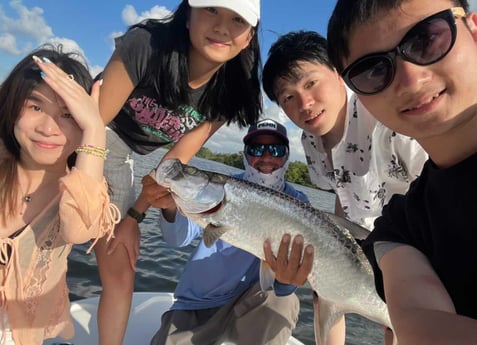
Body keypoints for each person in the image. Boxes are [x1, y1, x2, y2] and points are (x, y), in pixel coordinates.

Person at [94, 2, 262, 341]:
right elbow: (92, 126)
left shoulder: (227, 95)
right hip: (84, 132)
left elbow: (171, 168)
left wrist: (132, 218)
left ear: (248, 37)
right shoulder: (147, 44)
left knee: (121, 265)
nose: (222, 27)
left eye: (237, 19)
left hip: (122, 155)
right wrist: (77, 189)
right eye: (211, 10)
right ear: (188, 15)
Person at [261, 30, 428, 344]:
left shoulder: (386, 115)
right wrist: (336, 241)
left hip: (419, 236)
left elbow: (437, 183)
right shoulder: (310, 140)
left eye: (311, 83)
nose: (305, 104)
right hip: (364, 232)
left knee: (401, 319)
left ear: (338, 72)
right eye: (288, 97)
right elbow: (342, 190)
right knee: (323, 289)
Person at [327, 0, 477, 343]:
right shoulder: (398, 231)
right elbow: (422, 326)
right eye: (373, 70)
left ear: (474, 30)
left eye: (426, 40)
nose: (410, 78)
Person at [141, 119, 314, 345]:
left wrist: (286, 280)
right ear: (245, 154)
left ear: (286, 156)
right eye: (256, 149)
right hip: (198, 303)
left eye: (276, 149)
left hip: (253, 306)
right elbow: (177, 239)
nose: (266, 157)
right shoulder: (216, 191)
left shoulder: (299, 203)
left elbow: (285, 285)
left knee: (284, 301)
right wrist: (170, 206)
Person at [0, 46, 119, 344]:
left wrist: (95, 126)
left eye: (68, 114)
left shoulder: (83, 189)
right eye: (36, 107)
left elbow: (80, 229)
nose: (48, 128)